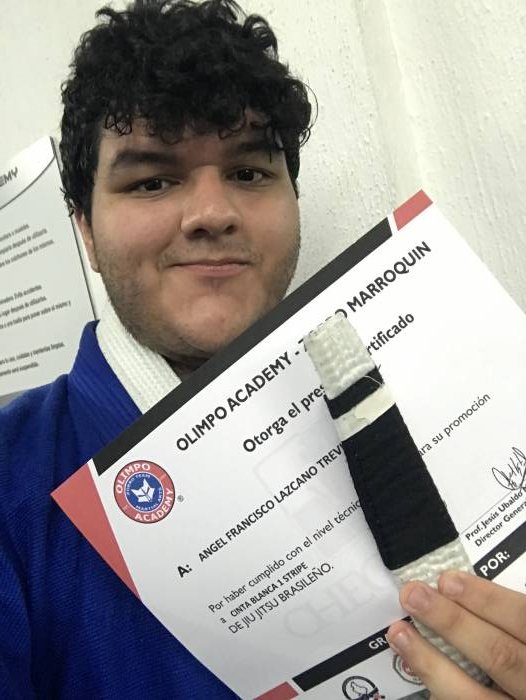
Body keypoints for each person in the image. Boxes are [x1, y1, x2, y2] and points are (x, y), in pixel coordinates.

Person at [0, 1, 524, 698]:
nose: (213, 213)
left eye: (248, 172)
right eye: (152, 180)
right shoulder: (12, 485)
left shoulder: (449, 402)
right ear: (86, 231)